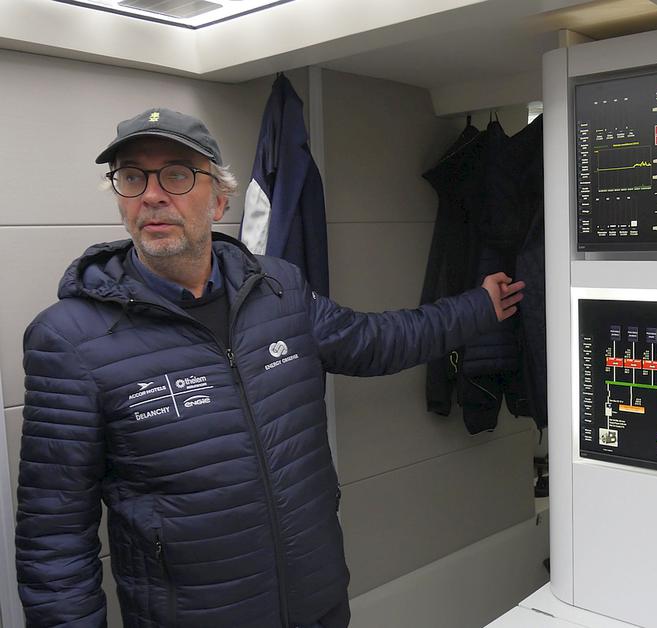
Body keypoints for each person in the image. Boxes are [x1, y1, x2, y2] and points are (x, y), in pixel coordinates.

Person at [14, 108, 524, 628]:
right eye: (131, 177)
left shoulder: (279, 290)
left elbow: (374, 341)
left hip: (317, 603)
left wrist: (479, 308)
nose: (152, 195)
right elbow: (54, 542)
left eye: (176, 174)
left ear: (219, 198)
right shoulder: (70, 340)